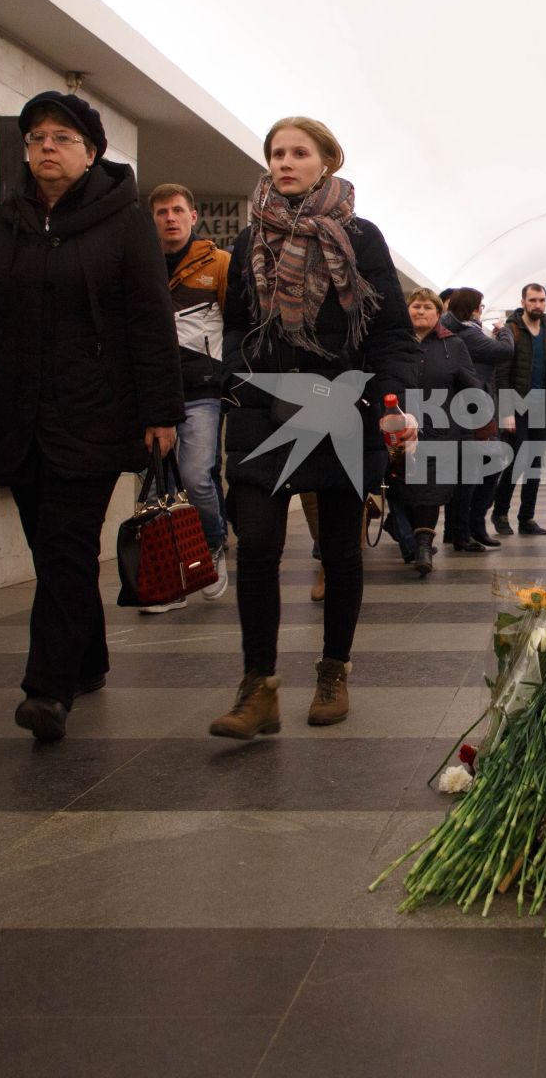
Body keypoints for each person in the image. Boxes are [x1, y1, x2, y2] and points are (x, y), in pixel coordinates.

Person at [0, 92, 182, 741]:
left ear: (91, 152)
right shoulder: (3, 223)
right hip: (19, 413)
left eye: (61, 138)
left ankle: (46, 687)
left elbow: (151, 322)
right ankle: (88, 657)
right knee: (52, 551)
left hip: (95, 413)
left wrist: (159, 409)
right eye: (36, 136)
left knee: (68, 545)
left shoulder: (124, 221)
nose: (46, 146)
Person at [209, 116, 419, 739]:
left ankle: (334, 671)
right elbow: (235, 324)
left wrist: (390, 401)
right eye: (276, 153)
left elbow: (390, 333)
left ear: (327, 160)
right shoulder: (250, 241)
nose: (284, 162)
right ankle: (258, 687)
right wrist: (236, 378)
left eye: (299, 152)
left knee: (339, 551)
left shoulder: (360, 237)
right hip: (263, 411)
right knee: (258, 549)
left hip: (342, 408)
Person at [142, 182, 231, 612]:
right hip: (151, 391)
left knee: (197, 476)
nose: (170, 218)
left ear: (193, 216)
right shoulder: (140, 263)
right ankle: (171, 578)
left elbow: (237, 325)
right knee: (160, 488)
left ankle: (214, 547)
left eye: (178, 210)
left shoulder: (219, 264)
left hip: (202, 391)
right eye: (162, 212)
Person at [391, 288, 482, 576]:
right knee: (399, 488)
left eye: (427, 308)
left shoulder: (453, 345)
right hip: (398, 429)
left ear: (438, 313)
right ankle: (410, 539)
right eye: (416, 307)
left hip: (439, 429)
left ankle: (422, 546)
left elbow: (472, 384)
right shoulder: (393, 344)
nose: (421, 312)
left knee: (429, 492)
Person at [443, 287, 513, 552]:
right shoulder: (468, 333)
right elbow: (505, 350)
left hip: (471, 408)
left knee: (474, 472)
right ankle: (467, 529)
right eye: (480, 306)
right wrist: (503, 329)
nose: (482, 310)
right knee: (477, 472)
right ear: (473, 308)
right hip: (475, 411)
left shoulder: (458, 329)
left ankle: (466, 529)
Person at [491, 282, 546, 536]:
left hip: (542, 407)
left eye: (541, 300)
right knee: (517, 462)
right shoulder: (512, 330)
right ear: (523, 302)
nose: (537, 305)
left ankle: (527, 518)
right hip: (518, 408)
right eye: (532, 300)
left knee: (534, 464)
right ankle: (500, 513)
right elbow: (502, 374)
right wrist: (506, 411)